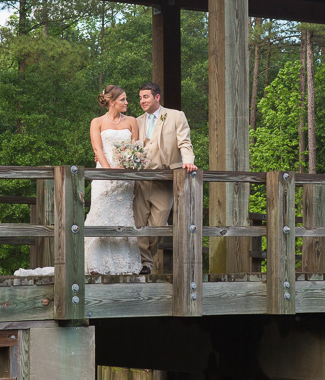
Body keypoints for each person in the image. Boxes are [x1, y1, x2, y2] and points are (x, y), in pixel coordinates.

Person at [15, 85, 142, 277]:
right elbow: (98, 150)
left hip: (125, 178)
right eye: (123, 99)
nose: (127, 103)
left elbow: (135, 149)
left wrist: (130, 165)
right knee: (101, 214)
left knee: (123, 217)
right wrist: (109, 173)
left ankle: (124, 264)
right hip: (105, 175)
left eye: (126, 99)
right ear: (112, 102)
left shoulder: (132, 121)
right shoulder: (97, 122)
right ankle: (95, 263)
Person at [134, 82, 196, 275]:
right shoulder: (136, 121)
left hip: (165, 178)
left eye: (146, 97)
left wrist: (188, 161)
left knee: (158, 225)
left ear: (157, 97)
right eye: (141, 97)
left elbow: (185, 142)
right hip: (142, 179)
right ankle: (144, 264)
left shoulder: (176, 116)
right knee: (138, 224)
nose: (142, 101)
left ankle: (147, 257)